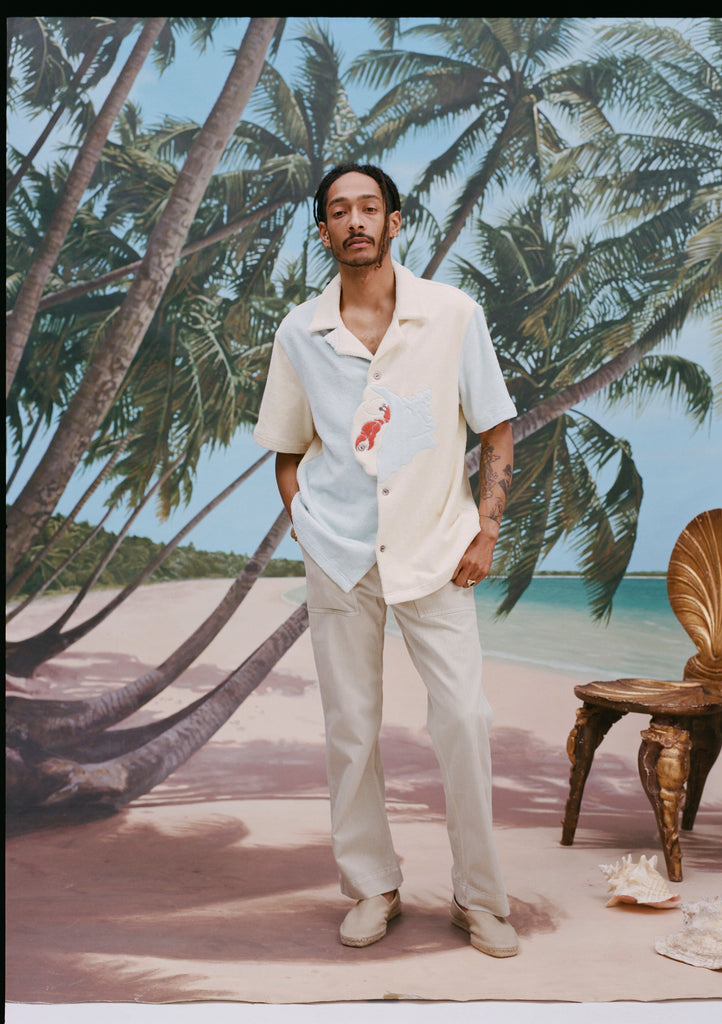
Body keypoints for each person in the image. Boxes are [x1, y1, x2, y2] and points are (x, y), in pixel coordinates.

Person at [253, 163, 518, 957]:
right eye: (339, 211)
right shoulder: (300, 330)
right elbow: (286, 446)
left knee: (464, 720)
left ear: (395, 222)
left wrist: (487, 529)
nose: (355, 221)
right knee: (351, 730)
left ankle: (480, 899)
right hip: (338, 551)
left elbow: (495, 429)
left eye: (369, 207)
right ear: (325, 230)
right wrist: (302, 518)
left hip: (436, 546)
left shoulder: (452, 315)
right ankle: (373, 887)